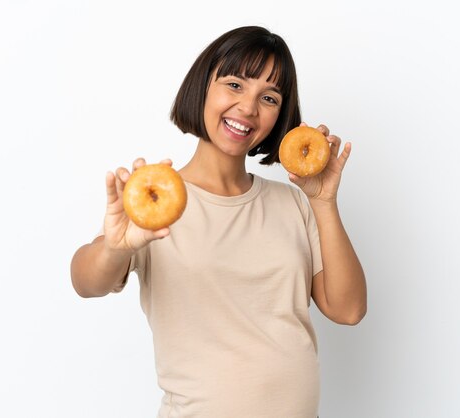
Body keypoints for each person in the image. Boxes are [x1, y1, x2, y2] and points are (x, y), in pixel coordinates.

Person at [71, 25, 366, 418]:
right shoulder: (157, 205)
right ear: (203, 88)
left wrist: (324, 201)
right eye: (234, 85)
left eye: (269, 97)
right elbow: (86, 282)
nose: (247, 108)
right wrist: (114, 247)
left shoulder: (293, 204)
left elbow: (348, 310)